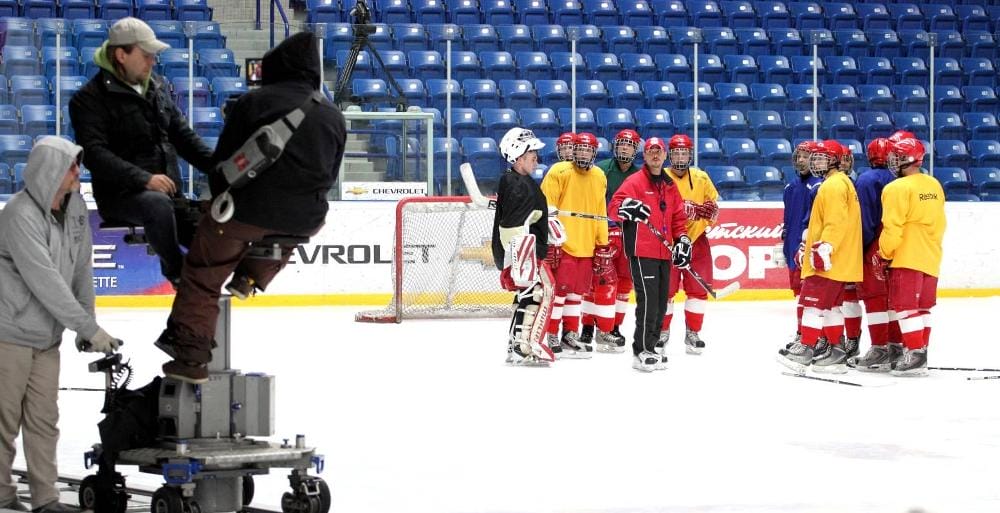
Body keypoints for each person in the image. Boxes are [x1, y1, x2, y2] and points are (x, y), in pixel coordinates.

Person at [155, 32, 347, 383]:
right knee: (282, 232)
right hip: (305, 219)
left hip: (246, 214)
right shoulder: (332, 114)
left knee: (202, 274)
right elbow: (330, 174)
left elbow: (223, 164)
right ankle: (251, 275)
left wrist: (218, 197)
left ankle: (191, 358)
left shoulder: (253, 104)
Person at [0, 137, 121, 513]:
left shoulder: (76, 208)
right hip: (8, 335)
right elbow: (47, 282)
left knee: (43, 421)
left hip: (46, 339)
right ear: (49, 169)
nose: (77, 173)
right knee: (3, 421)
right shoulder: (19, 214)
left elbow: (81, 268)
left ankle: (46, 499)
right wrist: (87, 328)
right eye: (71, 166)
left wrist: (90, 326)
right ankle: (2, 494)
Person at [69, 17, 215, 286]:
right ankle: (176, 273)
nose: (152, 62)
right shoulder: (89, 99)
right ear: (121, 55)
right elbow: (94, 154)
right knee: (156, 204)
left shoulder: (156, 87)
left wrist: (220, 168)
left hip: (169, 196)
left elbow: (184, 138)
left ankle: (205, 287)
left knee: (212, 234)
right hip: (122, 196)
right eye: (146, 55)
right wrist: (144, 179)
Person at [777, 140, 863, 373]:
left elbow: (835, 222)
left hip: (828, 260)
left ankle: (805, 349)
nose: (815, 162)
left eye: (821, 158)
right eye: (814, 158)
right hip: (841, 261)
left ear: (834, 160)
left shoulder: (833, 186)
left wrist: (825, 247)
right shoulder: (841, 183)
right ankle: (835, 353)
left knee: (812, 305)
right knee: (833, 307)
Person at [608, 137, 690, 372]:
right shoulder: (634, 181)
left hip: (665, 252)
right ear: (644, 156)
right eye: (650, 151)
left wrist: (682, 240)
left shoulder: (670, 185)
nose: (655, 155)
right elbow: (613, 208)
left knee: (662, 302)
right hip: (642, 251)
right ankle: (641, 350)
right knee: (648, 301)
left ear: (665, 156)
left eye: (659, 151)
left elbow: (678, 219)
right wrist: (626, 209)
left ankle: (652, 346)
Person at [874, 137, 946, 376]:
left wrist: (884, 253)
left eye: (895, 156)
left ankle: (914, 355)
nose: (891, 161)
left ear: (904, 159)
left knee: (905, 308)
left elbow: (892, 228)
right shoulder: (933, 184)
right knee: (923, 308)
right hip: (931, 256)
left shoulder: (896, 188)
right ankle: (920, 353)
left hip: (906, 257)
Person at [493, 127, 559, 366]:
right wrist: (520, 262)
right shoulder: (516, 183)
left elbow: (526, 216)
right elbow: (512, 226)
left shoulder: (518, 181)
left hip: (526, 252)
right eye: (532, 155)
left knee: (528, 294)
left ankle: (515, 344)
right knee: (542, 291)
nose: (536, 159)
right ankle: (524, 344)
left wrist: (544, 215)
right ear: (518, 155)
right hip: (526, 253)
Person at [540, 132, 610, 358]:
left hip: (587, 245)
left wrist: (602, 243)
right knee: (558, 294)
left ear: (594, 152)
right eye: (579, 149)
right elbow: (548, 208)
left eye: (587, 150)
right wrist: (553, 241)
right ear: (573, 150)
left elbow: (601, 211)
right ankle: (551, 334)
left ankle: (570, 334)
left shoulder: (599, 175)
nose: (582, 153)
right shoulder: (558, 172)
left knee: (576, 294)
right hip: (564, 244)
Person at [580, 128, 642, 352]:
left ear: (636, 149)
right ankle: (587, 326)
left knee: (625, 282)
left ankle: (613, 326)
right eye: (622, 144)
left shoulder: (640, 175)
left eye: (630, 144)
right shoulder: (600, 170)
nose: (625, 148)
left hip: (629, 235)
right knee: (595, 282)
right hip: (601, 232)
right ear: (615, 146)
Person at [847, 138, 903, 371]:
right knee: (893, 298)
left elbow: (866, 220)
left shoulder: (866, 179)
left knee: (874, 298)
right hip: (898, 244)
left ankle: (879, 347)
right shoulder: (900, 179)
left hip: (873, 245)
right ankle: (896, 346)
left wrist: (859, 249)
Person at [660, 134, 719, 355]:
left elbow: (712, 208)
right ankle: (663, 331)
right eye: (676, 152)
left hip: (697, 240)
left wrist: (711, 213)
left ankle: (693, 333)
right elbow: (655, 210)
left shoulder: (701, 177)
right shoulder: (660, 177)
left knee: (699, 290)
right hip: (668, 243)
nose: (681, 157)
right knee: (666, 291)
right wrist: (681, 209)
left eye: (684, 152)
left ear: (690, 155)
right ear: (670, 155)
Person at [777, 140, 822, 345]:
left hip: (810, 250)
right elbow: (788, 220)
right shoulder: (790, 187)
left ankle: (814, 336)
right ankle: (802, 332)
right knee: (799, 295)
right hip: (793, 249)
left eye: (806, 156)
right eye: (799, 156)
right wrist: (784, 243)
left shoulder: (819, 186)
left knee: (812, 296)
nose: (801, 160)